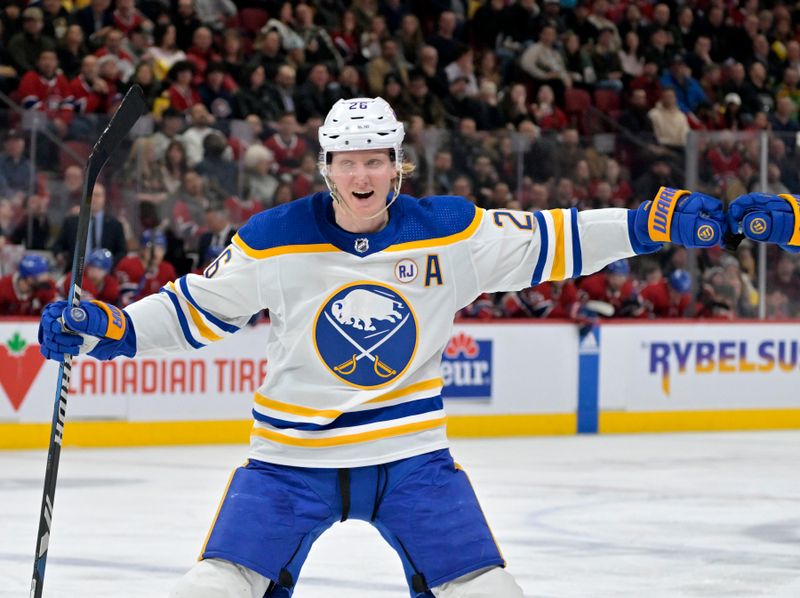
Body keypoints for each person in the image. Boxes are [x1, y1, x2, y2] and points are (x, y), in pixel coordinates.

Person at [39, 97, 727, 598]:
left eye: (375, 160)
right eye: (348, 161)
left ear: (397, 165)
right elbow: (196, 310)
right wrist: (111, 327)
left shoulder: (448, 232)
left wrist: (648, 223)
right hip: (287, 464)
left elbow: (556, 239)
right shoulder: (274, 236)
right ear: (326, 167)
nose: (362, 174)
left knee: (492, 594)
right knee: (210, 590)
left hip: (412, 462)